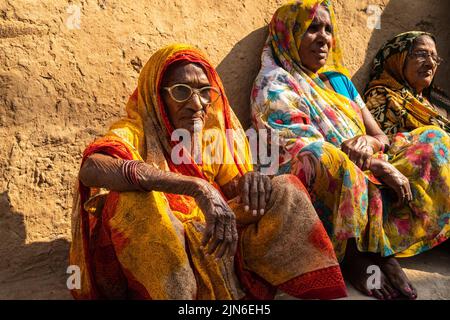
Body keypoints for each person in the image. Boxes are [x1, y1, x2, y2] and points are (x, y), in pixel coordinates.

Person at [69, 44, 347, 300]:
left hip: (210, 243)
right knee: (136, 201)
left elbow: (234, 193)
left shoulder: (213, 139)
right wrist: (195, 187)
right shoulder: (135, 129)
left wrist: (253, 184)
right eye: (181, 91)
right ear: (158, 96)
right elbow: (92, 169)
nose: (197, 104)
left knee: (284, 188)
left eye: (205, 92)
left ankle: (301, 289)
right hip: (160, 257)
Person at [251, 0, 450, 300]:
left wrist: (370, 144)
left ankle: (381, 245)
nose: (323, 38)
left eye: (328, 29)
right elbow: (293, 143)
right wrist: (373, 164)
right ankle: (355, 252)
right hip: (332, 179)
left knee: (435, 140)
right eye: (312, 28)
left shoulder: (339, 81)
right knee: (323, 157)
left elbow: (381, 136)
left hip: (369, 166)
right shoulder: (275, 82)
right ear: (288, 34)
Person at [364, 31, 450, 136]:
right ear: (397, 59)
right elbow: (388, 143)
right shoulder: (383, 97)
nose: (431, 63)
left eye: (434, 57)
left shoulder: (440, 99)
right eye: (421, 54)